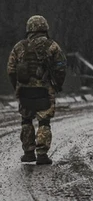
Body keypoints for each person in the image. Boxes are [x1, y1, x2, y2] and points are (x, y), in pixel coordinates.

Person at [7, 15, 67, 165]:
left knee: (26, 120)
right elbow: (61, 67)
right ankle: (41, 154)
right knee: (44, 121)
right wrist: (57, 84)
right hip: (45, 90)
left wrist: (17, 87)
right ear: (45, 28)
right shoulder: (52, 46)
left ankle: (28, 153)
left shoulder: (19, 46)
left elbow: (11, 69)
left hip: (24, 90)